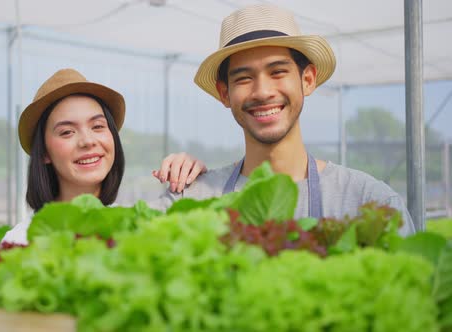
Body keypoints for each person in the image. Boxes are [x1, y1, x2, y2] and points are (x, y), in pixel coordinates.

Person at [158, 4, 415, 236]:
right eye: (243, 78)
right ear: (225, 93)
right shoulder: (190, 200)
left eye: (278, 72)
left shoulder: (369, 202)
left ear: (308, 79)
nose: (262, 91)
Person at [1, 68, 206, 243]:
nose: (88, 141)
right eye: (67, 132)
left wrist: (196, 183)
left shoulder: (135, 226)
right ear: (44, 152)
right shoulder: (20, 241)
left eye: (97, 126)